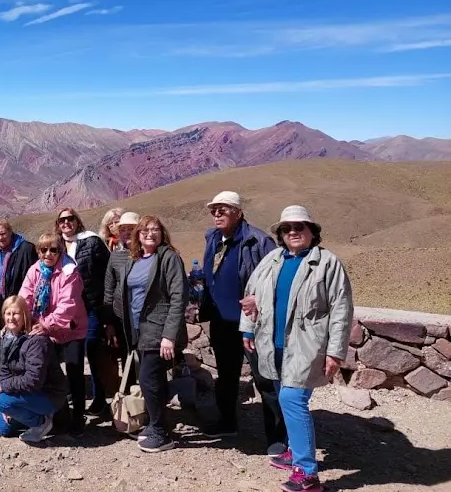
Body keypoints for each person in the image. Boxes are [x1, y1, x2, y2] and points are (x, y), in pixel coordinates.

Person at [241, 206, 353, 492]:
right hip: (273, 343)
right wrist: (247, 327)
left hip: (308, 345)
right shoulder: (272, 259)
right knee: (282, 396)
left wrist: (336, 350)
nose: (293, 232)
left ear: (312, 232)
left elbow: (341, 309)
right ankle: (293, 450)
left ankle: (307, 474)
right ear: (280, 234)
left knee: (292, 400)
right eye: (287, 228)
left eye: (299, 227)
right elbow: (251, 296)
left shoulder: (327, 263)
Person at [201, 191, 286, 454]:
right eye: (214, 210)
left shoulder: (258, 241)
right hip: (221, 322)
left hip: (251, 323)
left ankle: (277, 437)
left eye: (222, 210)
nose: (217, 214)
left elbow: (276, 279)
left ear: (238, 212)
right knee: (226, 376)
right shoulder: (213, 238)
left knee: (265, 378)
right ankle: (227, 421)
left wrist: (257, 299)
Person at [108, 216, 188, 452]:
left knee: (147, 379)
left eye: (155, 230)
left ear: (162, 233)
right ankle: (155, 425)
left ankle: (162, 433)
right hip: (137, 329)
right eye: (144, 230)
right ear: (138, 235)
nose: (150, 234)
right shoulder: (135, 259)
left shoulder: (168, 258)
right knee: (155, 380)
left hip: (158, 329)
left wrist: (169, 335)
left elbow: (178, 298)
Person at [18, 233, 88, 434]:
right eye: (43, 250)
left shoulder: (69, 271)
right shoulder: (35, 270)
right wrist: (24, 318)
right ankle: (57, 414)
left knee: (74, 372)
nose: (48, 254)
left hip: (71, 327)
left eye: (53, 250)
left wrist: (46, 324)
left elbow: (69, 305)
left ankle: (78, 417)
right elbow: (26, 296)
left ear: (61, 251)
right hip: (45, 327)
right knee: (48, 372)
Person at [55, 207, 113, 416]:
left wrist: (106, 308)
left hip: (91, 306)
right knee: (71, 353)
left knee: (92, 350)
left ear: (77, 221)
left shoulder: (92, 241)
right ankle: (73, 395)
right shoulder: (56, 245)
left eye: (70, 219)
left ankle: (99, 398)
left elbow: (107, 272)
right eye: (62, 220)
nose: (66, 223)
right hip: (66, 308)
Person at [0, 295, 69, 443]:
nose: (11, 318)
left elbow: (33, 380)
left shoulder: (37, 341)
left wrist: (3, 388)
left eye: (16, 313)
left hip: (47, 394)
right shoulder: (7, 338)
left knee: (2, 402)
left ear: (24, 315)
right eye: (8, 313)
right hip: (24, 393)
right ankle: (28, 416)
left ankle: (42, 422)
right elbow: (4, 372)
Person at [104, 211, 140, 363]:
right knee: (126, 354)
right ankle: (128, 384)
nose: (126, 233)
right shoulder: (115, 255)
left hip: (144, 316)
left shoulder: (149, 253)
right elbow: (109, 289)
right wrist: (109, 322)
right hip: (121, 315)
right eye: (123, 229)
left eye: (130, 229)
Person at [0, 219, 38, 312]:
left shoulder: (26, 249)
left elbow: (34, 279)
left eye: (3, 233)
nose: (0, 238)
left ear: (10, 232)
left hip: (17, 304)